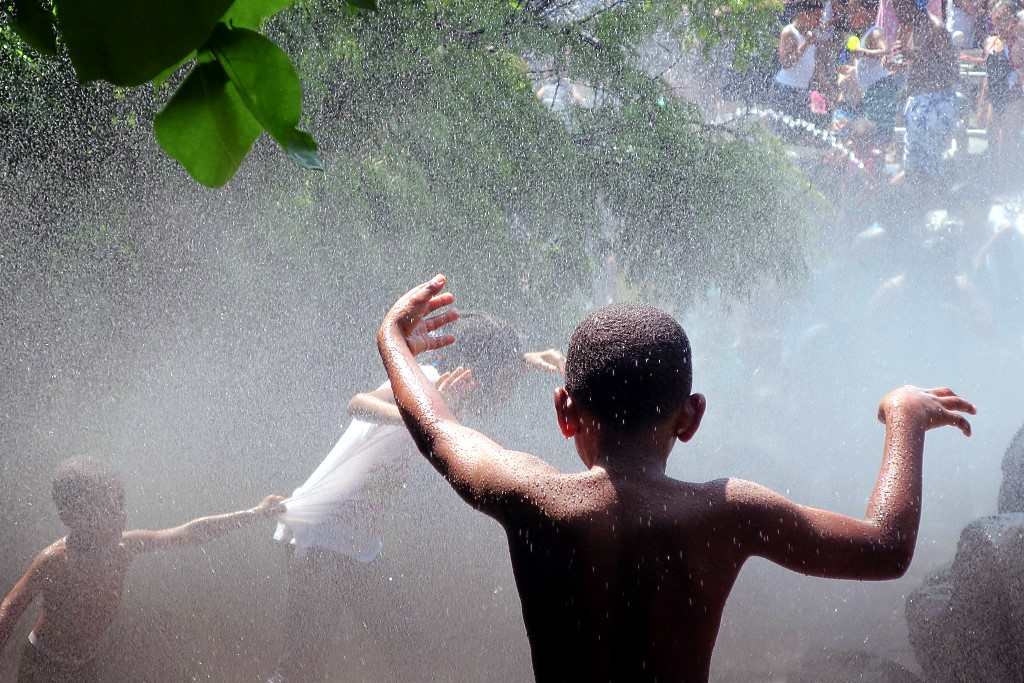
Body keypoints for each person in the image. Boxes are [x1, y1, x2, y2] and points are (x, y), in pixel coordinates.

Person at [377, 274, 976, 683]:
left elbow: (439, 430)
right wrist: (906, 416)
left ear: (564, 413)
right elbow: (886, 547)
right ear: (691, 417)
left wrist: (394, 341)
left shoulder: (534, 498)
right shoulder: (728, 513)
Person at [269, 311, 565, 682]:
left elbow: (490, 364)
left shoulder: (448, 390)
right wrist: (419, 412)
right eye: (505, 381)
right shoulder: (424, 384)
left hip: (353, 542)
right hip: (323, 533)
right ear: (480, 373)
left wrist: (530, 360)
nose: (507, 393)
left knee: (410, 657)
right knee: (299, 670)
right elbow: (358, 402)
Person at [0, 457, 284, 683]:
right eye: (107, 509)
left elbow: (188, 534)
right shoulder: (54, 561)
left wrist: (254, 514)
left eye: (119, 505)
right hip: (42, 667)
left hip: (84, 666)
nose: (121, 515)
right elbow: (7, 613)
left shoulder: (125, 548)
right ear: (71, 517)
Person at [888, 0, 960, 186]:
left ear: (911, 4)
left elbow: (950, 69)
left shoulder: (935, 27)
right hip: (920, 103)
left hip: (934, 104)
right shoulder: (915, 27)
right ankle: (918, 210)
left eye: (899, 6)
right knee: (913, 167)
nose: (897, 12)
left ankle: (936, 207)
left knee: (931, 167)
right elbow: (924, 61)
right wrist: (904, 60)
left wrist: (913, 55)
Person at [774, 0, 827, 119]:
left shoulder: (810, 33)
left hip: (801, 90)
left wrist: (825, 86)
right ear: (805, 15)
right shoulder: (789, 32)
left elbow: (814, 64)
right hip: (785, 89)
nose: (819, 21)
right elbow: (786, 62)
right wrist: (806, 44)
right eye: (817, 17)